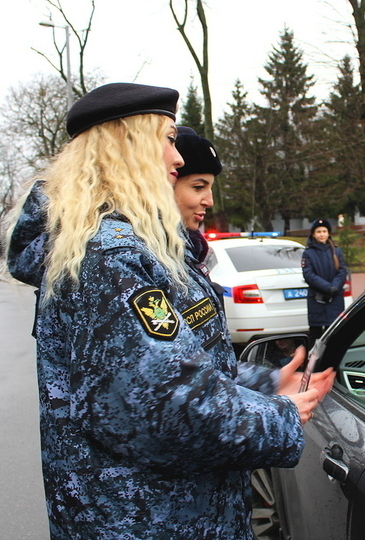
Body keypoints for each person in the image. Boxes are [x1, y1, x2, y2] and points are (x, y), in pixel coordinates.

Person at [4, 82, 333, 540]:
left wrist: (263, 383)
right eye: (167, 139)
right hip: (148, 519)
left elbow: (163, 371)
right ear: (128, 146)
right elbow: (171, 408)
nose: (177, 159)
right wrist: (280, 414)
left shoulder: (127, 249)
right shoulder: (112, 258)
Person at [173, 125, 222, 299]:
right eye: (198, 187)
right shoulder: (142, 255)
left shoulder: (193, 250)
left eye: (210, 188)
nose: (209, 202)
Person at [302, 218, 347, 343]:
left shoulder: (336, 251)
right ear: (313, 234)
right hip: (317, 300)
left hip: (335, 299)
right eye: (318, 232)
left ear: (328, 233)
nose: (322, 234)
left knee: (334, 333)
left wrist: (334, 287)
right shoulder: (308, 253)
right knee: (315, 334)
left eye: (324, 231)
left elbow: (342, 271)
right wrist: (327, 287)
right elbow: (308, 274)